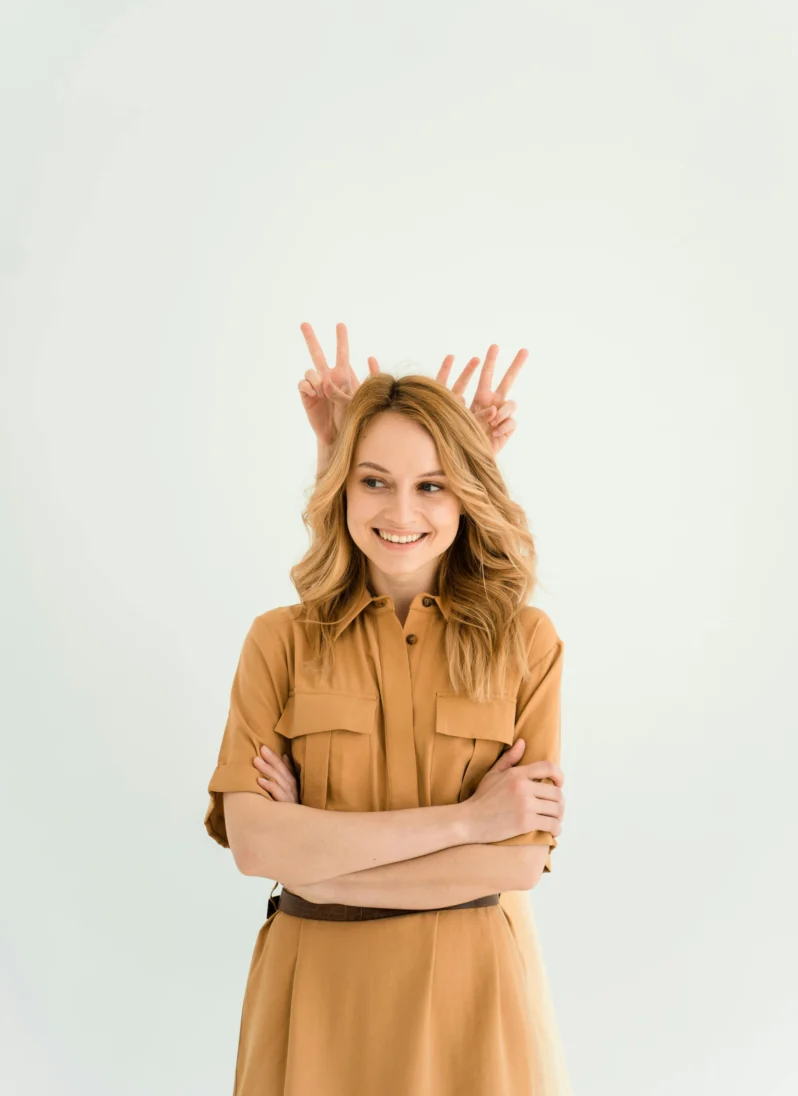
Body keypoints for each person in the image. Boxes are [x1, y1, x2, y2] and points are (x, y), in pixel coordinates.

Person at [204, 325, 572, 1095]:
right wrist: (468, 821)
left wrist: (321, 866)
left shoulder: (524, 644)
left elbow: (515, 863)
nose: (401, 508)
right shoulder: (280, 642)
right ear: (341, 487)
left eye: (433, 484)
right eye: (373, 480)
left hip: (474, 1006)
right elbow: (254, 844)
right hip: (316, 1003)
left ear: (468, 494)